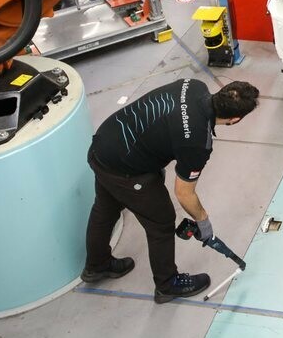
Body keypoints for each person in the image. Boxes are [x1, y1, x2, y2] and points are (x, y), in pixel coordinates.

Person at [83, 79, 260, 303]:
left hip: (103, 145)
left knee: (105, 208)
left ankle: (96, 265)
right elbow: (184, 193)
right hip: (125, 168)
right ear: (235, 119)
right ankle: (167, 285)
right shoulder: (198, 142)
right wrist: (203, 222)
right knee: (161, 222)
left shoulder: (193, 85)